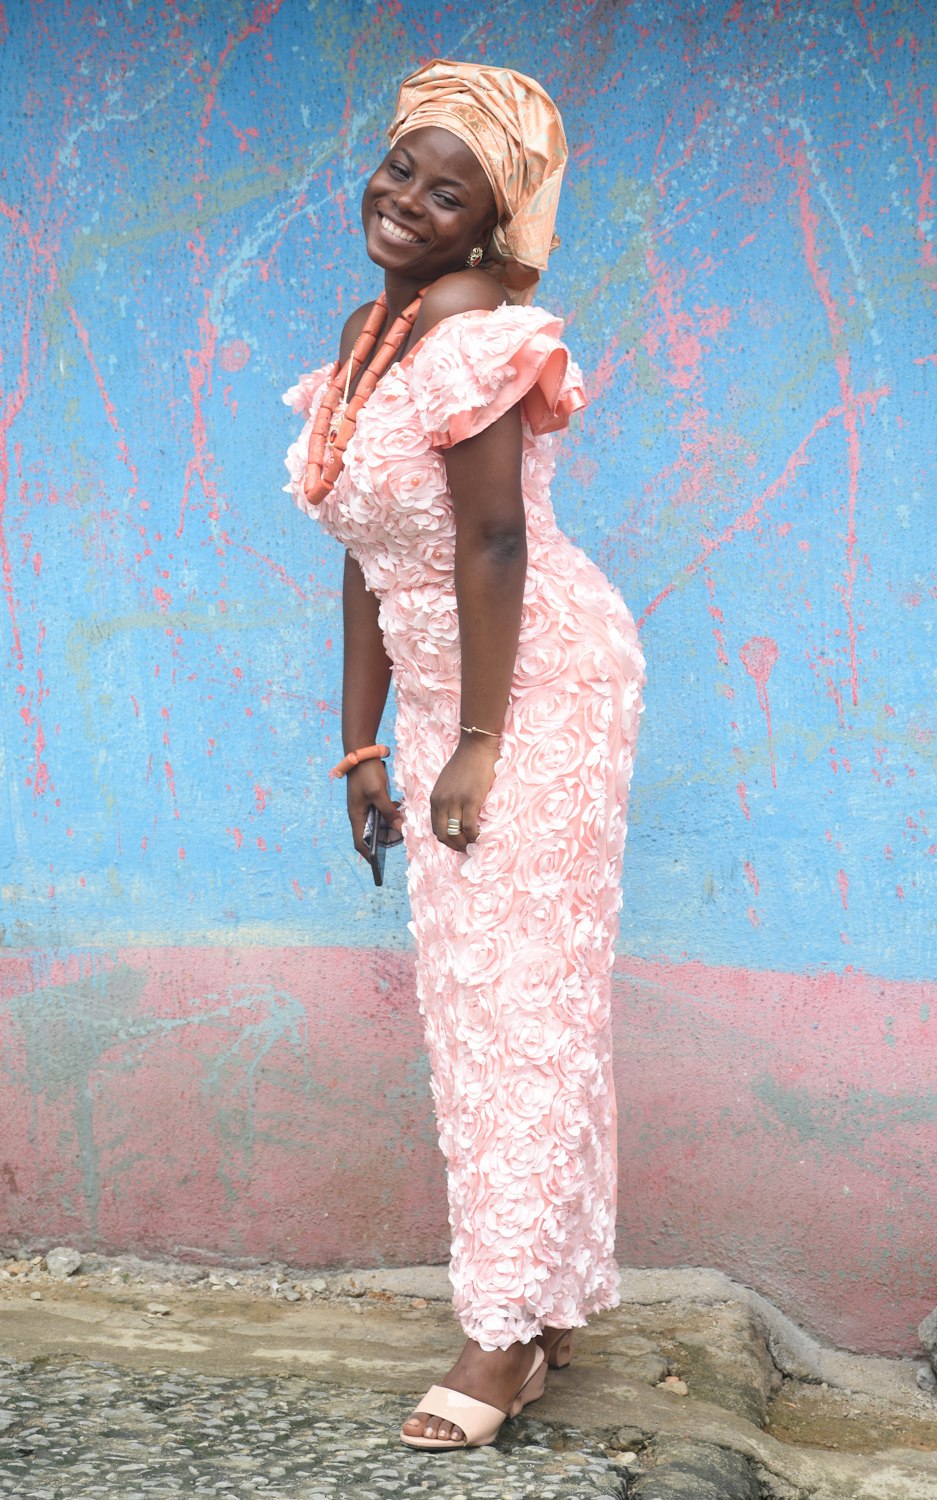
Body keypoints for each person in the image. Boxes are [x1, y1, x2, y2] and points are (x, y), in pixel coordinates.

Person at [283, 58, 645, 1452]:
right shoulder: (368, 340)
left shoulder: (487, 335)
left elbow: (492, 542)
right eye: (399, 169)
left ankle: (500, 1338)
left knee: (524, 1002)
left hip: (536, 682)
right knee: (482, 1003)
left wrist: (482, 741)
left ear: (495, 222)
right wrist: (361, 741)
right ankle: (542, 1305)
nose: (408, 201)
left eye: (451, 189)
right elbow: (367, 557)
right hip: (445, 693)